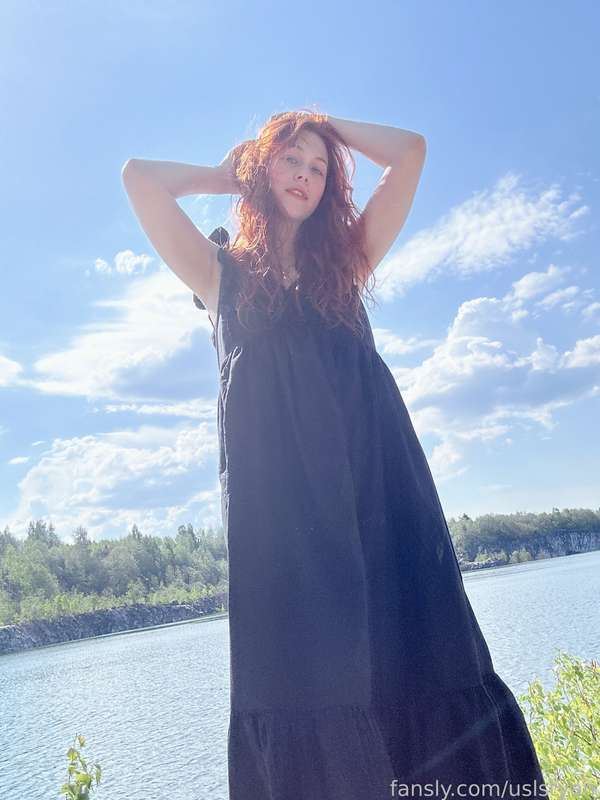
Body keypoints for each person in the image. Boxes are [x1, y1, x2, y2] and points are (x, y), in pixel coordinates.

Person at [122, 110, 547, 799]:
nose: (305, 176)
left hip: (382, 493)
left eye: (319, 169)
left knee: (423, 651)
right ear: (262, 169)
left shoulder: (347, 268)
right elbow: (139, 178)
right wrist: (228, 174)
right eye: (290, 160)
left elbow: (410, 151)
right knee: (305, 676)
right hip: (283, 522)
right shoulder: (219, 276)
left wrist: (321, 126)